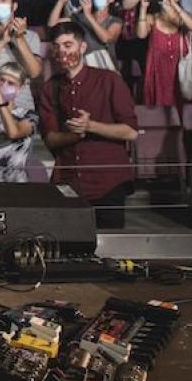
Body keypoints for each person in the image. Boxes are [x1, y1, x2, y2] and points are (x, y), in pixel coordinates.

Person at [37, 22, 139, 228]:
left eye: (68, 45)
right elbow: (50, 138)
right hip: (68, 181)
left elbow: (131, 132)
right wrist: (75, 134)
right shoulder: (51, 87)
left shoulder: (109, 80)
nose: (62, 52)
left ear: (82, 47)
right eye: (57, 47)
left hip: (108, 181)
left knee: (110, 248)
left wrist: (91, 126)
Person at [136, 0, 192, 109]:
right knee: (159, 109)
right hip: (157, 71)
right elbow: (141, 34)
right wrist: (143, 9)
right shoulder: (152, 18)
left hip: (181, 70)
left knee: (182, 107)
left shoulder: (186, 16)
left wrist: (175, 7)